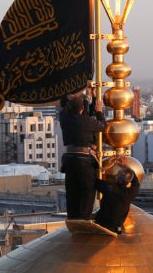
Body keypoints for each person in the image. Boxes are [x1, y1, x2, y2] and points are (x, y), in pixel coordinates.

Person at [60, 91, 106, 220]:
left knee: (72, 192)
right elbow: (102, 125)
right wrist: (98, 111)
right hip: (84, 160)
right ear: (81, 109)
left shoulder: (64, 117)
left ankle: (73, 219)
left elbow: (68, 107)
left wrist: (83, 99)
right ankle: (84, 219)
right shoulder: (85, 121)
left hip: (69, 160)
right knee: (87, 191)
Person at [94, 162, 141, 234]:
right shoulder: (130, 193)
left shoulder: (109, 187)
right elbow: (136, 182)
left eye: (117, 173)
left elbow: (92, 181)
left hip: (102, 225)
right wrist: (127, 168)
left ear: (118, 178)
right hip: (117, 228)